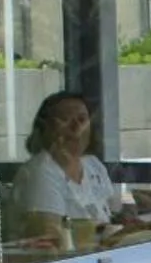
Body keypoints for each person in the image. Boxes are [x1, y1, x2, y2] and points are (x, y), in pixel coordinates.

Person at [12, 92, 125, 251]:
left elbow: (117, 208)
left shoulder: (93, 164)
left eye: (82, 119)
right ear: (45, 127)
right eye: (65, 120)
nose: (76, 127)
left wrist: (137, 201)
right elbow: (48, 239)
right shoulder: (40, 172)